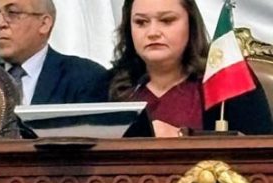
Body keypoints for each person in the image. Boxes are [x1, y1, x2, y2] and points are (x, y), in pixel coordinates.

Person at [108, 0, 273, 136]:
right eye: (141, 22)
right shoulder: (107, 86)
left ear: (190, 24)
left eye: (167, 20)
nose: (153, 32)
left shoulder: (227, 78)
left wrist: (182, 137)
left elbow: (261, 152)